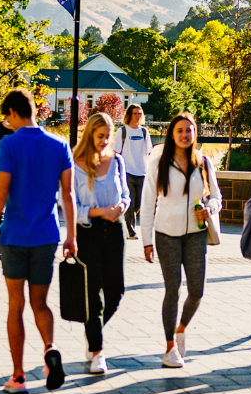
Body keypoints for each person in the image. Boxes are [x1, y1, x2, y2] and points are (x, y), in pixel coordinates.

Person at [0, 89, 76, 394]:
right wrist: (71, 235)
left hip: (15, 235)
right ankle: (50, 348)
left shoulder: (8, 144)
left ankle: (19, 376)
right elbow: (68, 195)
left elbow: (0, 192)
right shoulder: (60, 144)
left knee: (15, 304)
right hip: (47, 234)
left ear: (11, 113)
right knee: (40, 303)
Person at [140, 111, 221, 368]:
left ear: (195, 134)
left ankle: (181, 328)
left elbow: (216, 197)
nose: (185, 135)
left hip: (196, 234)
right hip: (166, 235)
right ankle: (169, 348)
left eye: (189, 130)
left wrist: (211, 209)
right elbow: (147, 203)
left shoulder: (204, 163)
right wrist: (146, 240)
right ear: (172, 135)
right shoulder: (158, 164)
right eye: (180, 131)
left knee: (197, 290)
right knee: (172, 289)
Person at [70, 111, 128, 376]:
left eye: (108, 136)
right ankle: (97, 351)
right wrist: (98, 212)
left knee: (116, 290)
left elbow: (126, 194)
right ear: (90, 135)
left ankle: (94, 332)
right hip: (88, 232)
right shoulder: (75, 164)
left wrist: (120, 207)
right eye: (99, 136)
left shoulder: (117, 161)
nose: (104, 141)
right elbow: (69, 206)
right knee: (93, 293)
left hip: (115, 230)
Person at [116, 103, 151, 239]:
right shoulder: (122, 131)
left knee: (139, 203)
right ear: (129, 115)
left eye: (139, 113)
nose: (137, 116)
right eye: (135, 113)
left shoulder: (144, 132)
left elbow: (149, 152)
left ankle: (126, 223)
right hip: (127, 171)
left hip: (142, 172)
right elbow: (116, 152)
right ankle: (131, 230)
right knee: (130, 202)